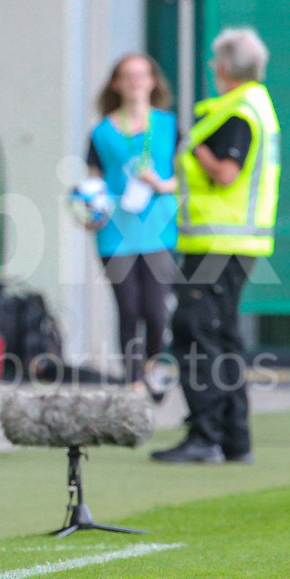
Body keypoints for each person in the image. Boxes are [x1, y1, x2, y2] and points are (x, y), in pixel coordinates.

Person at [150, 27, 280, 464]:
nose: (211, 68)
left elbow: (225, 173)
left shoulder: (236, 112)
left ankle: (205, 435)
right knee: (222, 338)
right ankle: (234, 439)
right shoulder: (254, 107)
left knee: (196, 335)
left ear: (225, 67)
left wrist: (198, 148)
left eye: (214, 61)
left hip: (218, 243)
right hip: (233, 242)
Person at [85, 53, 178, 399]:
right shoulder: (102, 132)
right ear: (116, 83)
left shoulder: (169, 125)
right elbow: (92, 183)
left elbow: (185, 178)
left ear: (153, 81)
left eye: (142, 75)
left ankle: (155, 369)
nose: (136, 82)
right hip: (115, 234)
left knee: (155, 311)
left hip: (159, 231)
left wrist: (162, 184)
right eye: (128, 76)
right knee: (128, 308)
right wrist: (88, 211)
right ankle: (133, 381)